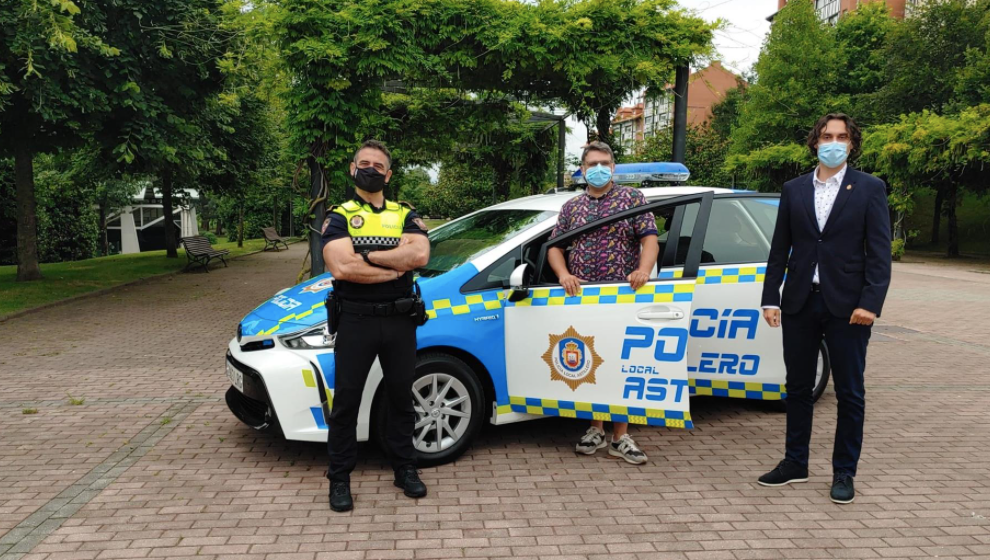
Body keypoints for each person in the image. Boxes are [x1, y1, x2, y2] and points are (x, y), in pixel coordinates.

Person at [758, 114, 891, 504]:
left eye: (842, 137)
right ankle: (795, 462)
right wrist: (771, 296)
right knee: (798, 387)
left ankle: (844, 472)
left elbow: (879, 253)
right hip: (800, 300)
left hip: (849, 306)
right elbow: (780, 247)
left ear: (852, 144)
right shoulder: (794, 189)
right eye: (827, 136)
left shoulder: (869, 188)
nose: (833, 142)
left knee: (850, 392)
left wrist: (871, 302)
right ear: (815, 142)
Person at [321, 139, 431, 512]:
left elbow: (419, 254)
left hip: (400, 321)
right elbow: (341, 267)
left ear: (388, 173)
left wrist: (365, 253)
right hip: (355, 321)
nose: (370, 169)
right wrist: (394, 265)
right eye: (363, 163)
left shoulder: (405, 213)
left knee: (402, 399)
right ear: (353, 169)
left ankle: (406, 468)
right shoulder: (338, 215)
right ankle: (339, 479)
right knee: (346, 403)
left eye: (378, 165)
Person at [548, 141, 660, 464]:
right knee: (589, 362)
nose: (599, 168)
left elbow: (649, 239)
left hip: (621, 298)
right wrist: (563, 274)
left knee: (620, 364)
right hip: (582, 299)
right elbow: (555, 247)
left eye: (605, 163)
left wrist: (643, 269)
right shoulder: (571, 208)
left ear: (613, 167)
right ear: (582, 170)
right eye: (592, 163)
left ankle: (620, 435)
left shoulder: (631, 199)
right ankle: (595, 428)